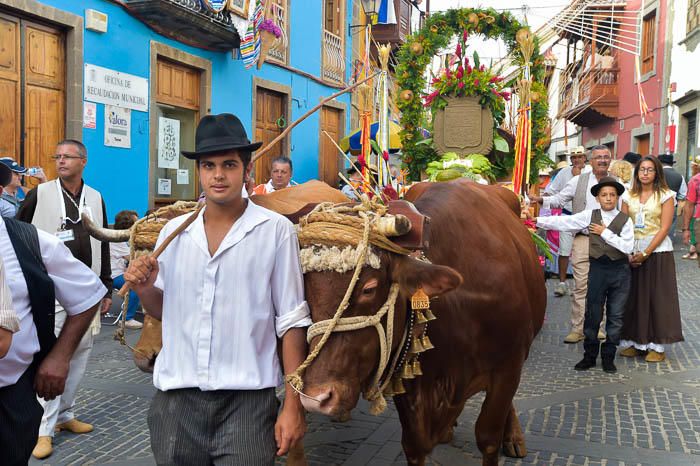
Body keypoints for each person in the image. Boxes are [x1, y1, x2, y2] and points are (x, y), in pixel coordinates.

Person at [125, 113, 310, 465]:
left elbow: (291, 322)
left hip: (247, 405)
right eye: (208, 165)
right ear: (199, 171)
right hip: (176, 404)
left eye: (228, 164)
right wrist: (147, 288)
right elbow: (162, 310)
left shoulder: (275, 231)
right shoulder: (173, 234)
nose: (218, 175)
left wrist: (292, 404)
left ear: (247, 168)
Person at [0, 159, 106, 466]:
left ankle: (53, 424)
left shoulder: (30, 241)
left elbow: (88, 293)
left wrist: (60, 357)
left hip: (10, 394)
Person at [533, 177, 633, 373]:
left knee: (616, 316)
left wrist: (605, 233)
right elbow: (566, 222)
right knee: (592, 314)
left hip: (620, 272)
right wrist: (537, 220)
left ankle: (608, 356)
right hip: (597, 270)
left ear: (618, 198)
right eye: (604, 195)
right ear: (597, 198)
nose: (608, 198)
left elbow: (628, 247)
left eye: (612, 195)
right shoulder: (590, 215)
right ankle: (589, 355)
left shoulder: (625, 220)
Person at [530, 145, 617, 343]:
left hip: (608, 241)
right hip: (583, 239)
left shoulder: (617, 183)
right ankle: (578, 328)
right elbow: (560, 199)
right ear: (591, 161)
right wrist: (539, 200)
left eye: (606, 157)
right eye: (598, 157)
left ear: (610, 160)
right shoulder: (579, 181)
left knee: (603, 285)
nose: (602, 160)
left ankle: (598, 327)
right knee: (581, 285)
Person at [619, 156, 684, 362]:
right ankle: (635, 341)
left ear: (657, 173)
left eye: (650, 170)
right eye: (642, 170)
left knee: (657, 298)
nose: (645, 173)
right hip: (632, 250)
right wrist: (628, 252)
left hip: (657, 252)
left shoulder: (666, 195)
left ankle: (657, 346)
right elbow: (623, 225)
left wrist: (646, 252)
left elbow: (665, 228)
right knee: (634, 298)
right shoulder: (628, 196)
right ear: (636, 173)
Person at [542, 146, 587, 297]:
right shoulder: (563, 172)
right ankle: (562, 283)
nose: (576, 160)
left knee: (587, 252)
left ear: (584, 158)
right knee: (564, 250)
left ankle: (583, 285)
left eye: (579, 157)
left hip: (585, 218)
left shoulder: (589, 173)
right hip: (567, 216)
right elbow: (552, 190)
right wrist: (545, 197)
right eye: (574, 157)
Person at [110, 210, 142, 329]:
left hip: (122, 272)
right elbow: (133, 257)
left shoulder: (125, 238)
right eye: (136, 222)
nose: (139, 224)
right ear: (128, 225)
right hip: (113, 275)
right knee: (136, 284)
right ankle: (127, 318)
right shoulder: (117, 240)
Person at [658, 154, 687, 240]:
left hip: (655, 203)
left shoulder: (655, 174)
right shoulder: (679, 176)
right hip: (672, 205)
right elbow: (683, 194)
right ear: (672, 164)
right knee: (669, 227)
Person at [682, 155, 700, 261]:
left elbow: (689, 204)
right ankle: (693, 250)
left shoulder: (695, 180)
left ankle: (693, 251)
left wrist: (686, 228)